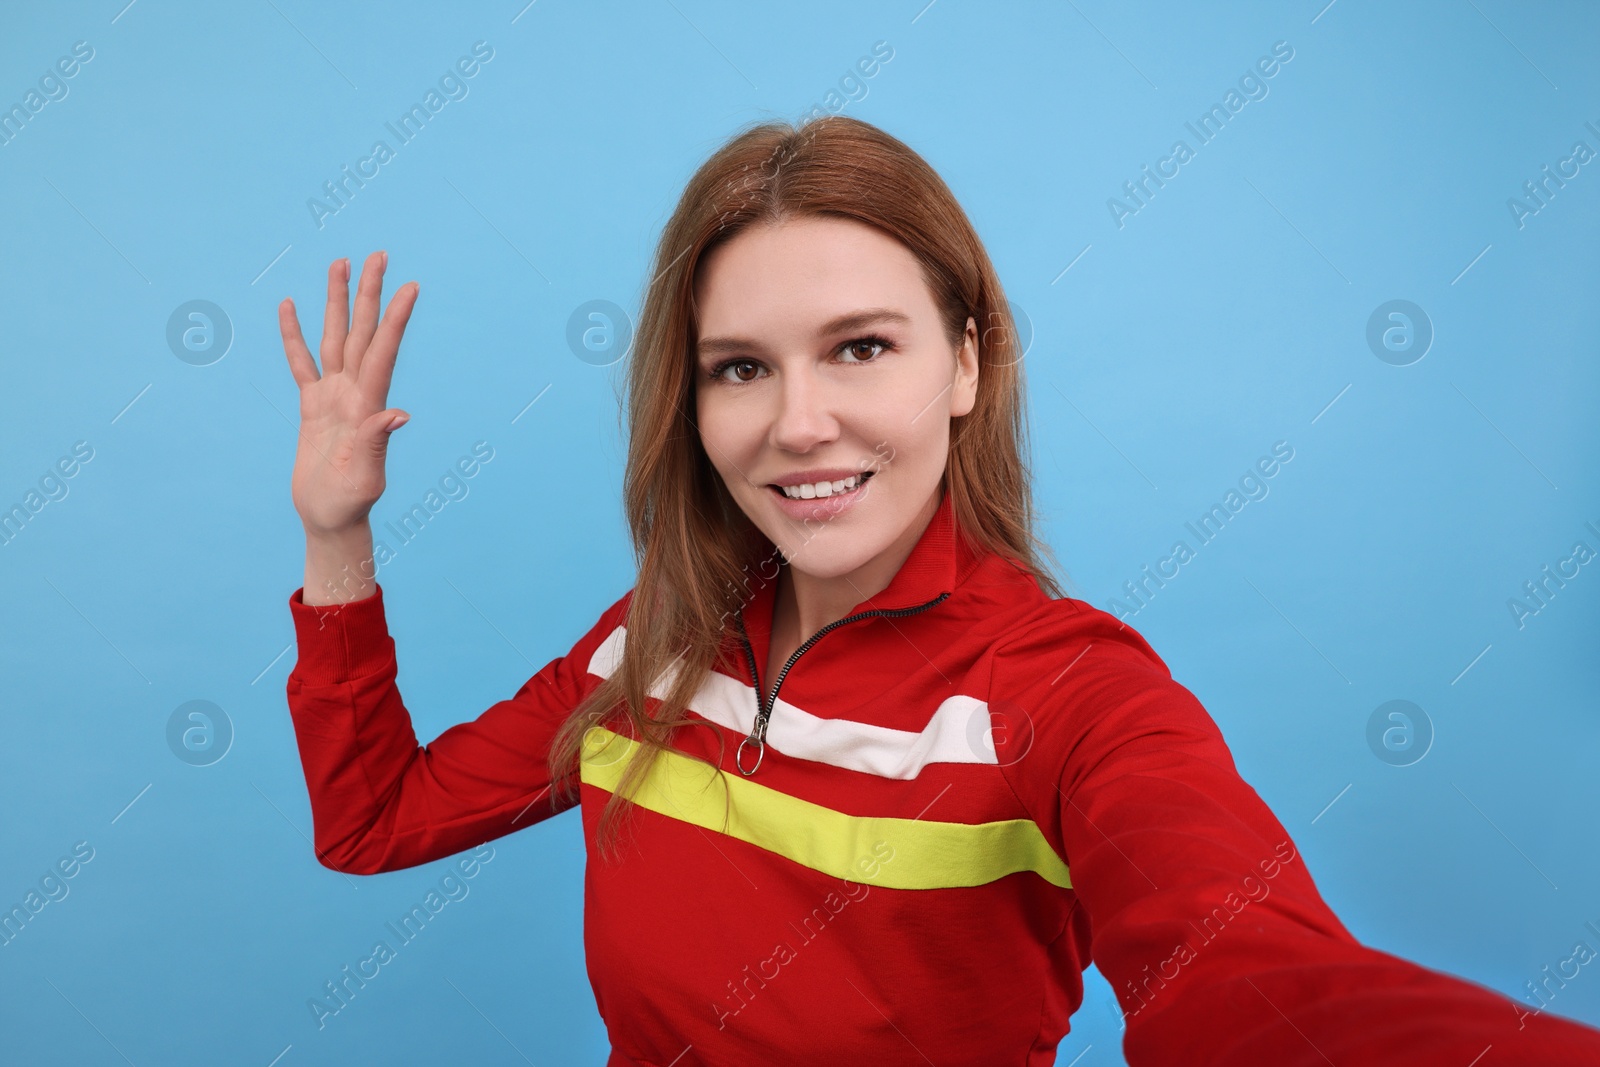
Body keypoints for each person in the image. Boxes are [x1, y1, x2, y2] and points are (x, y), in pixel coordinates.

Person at [278, 115, 1600, 1066]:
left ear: (968, 362)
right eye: (741, 367)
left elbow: (1260, 987)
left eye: (860, 348)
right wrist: (335, 534)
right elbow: (373, 819)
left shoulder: (1070, 695)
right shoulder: (648, 645)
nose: (799, 423)